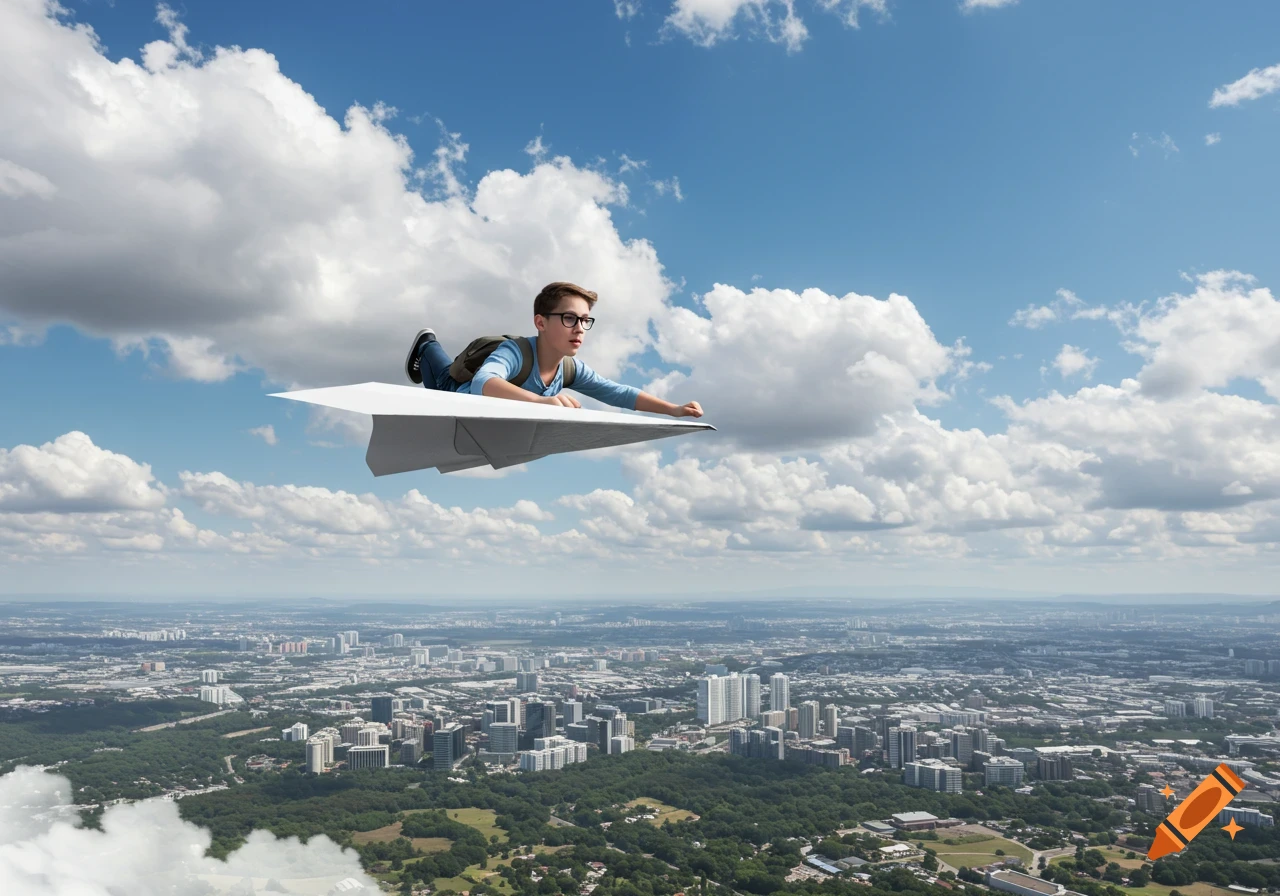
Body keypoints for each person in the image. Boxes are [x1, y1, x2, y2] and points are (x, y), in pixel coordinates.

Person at [404, 282, 703, 418]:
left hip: (483, 420)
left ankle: (429, 344)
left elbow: (618, 393)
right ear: (541, 322)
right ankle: (427, 342)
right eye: (570, 318)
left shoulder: (571, 369)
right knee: (441, 378)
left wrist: (673, 410)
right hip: (456, 397)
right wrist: (539, 401)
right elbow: (484, 383)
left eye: (585, 320)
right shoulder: (515, 352)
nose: (579, 328)